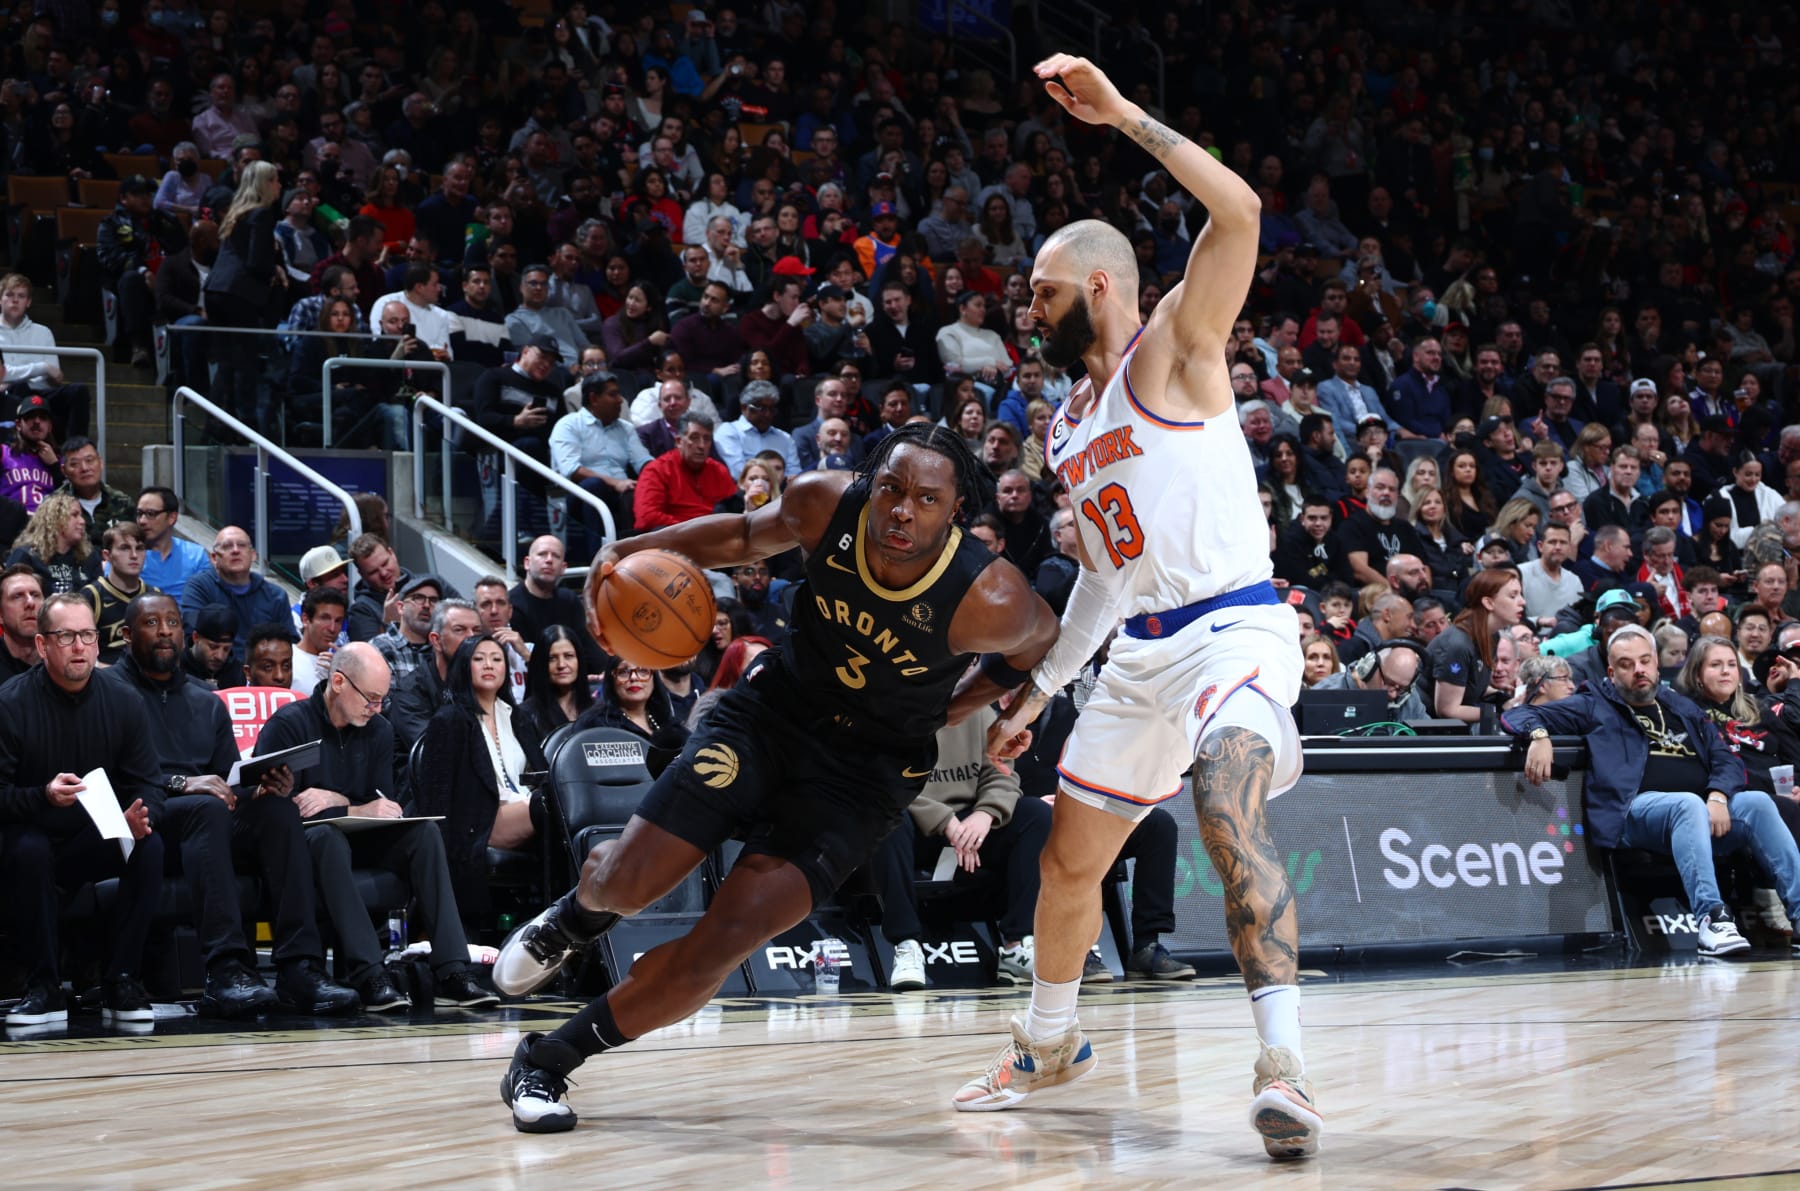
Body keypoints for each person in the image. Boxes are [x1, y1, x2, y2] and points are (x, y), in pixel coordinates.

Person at [945, 58, 1318, 1158]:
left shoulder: (1174, 346)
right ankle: (1050, 1043)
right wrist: (1043, 691)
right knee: (1070, 859)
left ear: (1100, 287)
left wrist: (1121, 118)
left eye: (1042, 291)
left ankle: (1283, 1067)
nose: (1027, 305)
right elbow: (1106, 574)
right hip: (1140, 656)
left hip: (1235, 630)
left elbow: (1241, 210)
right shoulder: (1065, 424)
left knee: (1221, 796)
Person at [491, 422, 1056, 1135]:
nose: (902, 510)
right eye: (890, 488)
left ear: (955, 510)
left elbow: (1039, 642)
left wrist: (967, 704)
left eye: (926, 498)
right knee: (630, 877)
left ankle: (546, 1059)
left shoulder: (989, 595)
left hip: (868, 772)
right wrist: (628, 549)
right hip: (774, 714)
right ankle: (576, 917)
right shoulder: (826, 504)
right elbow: (742, 536)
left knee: (728, 936)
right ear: (868, 484)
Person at [106, 593, 358, 1017]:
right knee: (205, 809)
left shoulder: (205, 700)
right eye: (152, 623)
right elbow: (109, 774)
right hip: (144, 821)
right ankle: (225, 970)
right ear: (129, 634)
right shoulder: (111, 692)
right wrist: (181, 783)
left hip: (207, 826)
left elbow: (229, 781)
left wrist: (259, 788)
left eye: (172, 622)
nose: (165, 631)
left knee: (278, 811)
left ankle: (300, 967)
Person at [1503, 625, 1800, 958]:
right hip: (1632, 814)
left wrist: (1717, 796)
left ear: (1657, 664)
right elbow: (1519, 713)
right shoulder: (1593, 704)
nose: (1639, 670)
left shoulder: (1680, 707)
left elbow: (1725, 760)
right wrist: (1540, 736)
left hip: (1701, 811)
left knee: (1757, 802)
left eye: (1645, 661)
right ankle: (1711, 920)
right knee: (1687, 805)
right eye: (1627, 664)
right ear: (1612, 672)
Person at [253, 644, 500, 1012]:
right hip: (304, 845)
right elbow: (279, 812)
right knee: (326, 838)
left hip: (356, 833)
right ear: (338, 682)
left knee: (424, 833)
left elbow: (377, 805)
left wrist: (339, 801)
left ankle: (452, 969)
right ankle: (369, 973)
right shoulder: (290, 725)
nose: (377, 708)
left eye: (382, 699)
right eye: (370, 698)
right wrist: (348, 805)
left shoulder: (379, 731)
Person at [0, 596, 163, 1027]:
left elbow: (149, 780)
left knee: (149, 845)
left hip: (94, 837)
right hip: (29, 839)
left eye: (87, 635)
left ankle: (121, 980)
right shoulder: (10, 704)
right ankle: (45, 986)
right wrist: (42, 795)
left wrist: (141, 814)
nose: (79, 646)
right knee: (29, 848)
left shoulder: (126, 702)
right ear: (41, 644)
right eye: (66, 636)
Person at [874, 700, 1054, 991]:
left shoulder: (981, 712)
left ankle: (1017, 945)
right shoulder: (893, 709)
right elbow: (883, 783)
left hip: (973, 829)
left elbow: (1003, 774)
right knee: (885, 817)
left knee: (1037, 815)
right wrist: (945, 820)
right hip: (918, 826)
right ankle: (906, 945)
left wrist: (986, 814)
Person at [416, 634, 548, 929]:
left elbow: (542, 774)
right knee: (552, 805)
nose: (488, 665)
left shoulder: (518, 717)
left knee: (557, 806)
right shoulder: (449, 720)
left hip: (524, 808)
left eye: (497, 659)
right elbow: (434, 796)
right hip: (478, 823)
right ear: (465, 666)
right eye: (479, 658)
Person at [204, 161, 286, 427]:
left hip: (216, 290)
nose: (279, 186)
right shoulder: (261, 214)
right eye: (275, 180)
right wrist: (275, 270)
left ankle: (216, 424)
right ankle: (244, 426)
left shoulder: (237, 213)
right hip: (239, 295)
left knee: (226, 364)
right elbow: (256, 263)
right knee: (245, 363)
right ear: (265, 184)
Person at [549, 370, 649, 547]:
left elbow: (644, 462)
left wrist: (662, 473)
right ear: (594, 399)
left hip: (621, 492)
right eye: (613, 395)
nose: (620, 400)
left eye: (619, 394)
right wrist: (615, 483)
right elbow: (572, 470)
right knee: (594, 486)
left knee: (641, 490)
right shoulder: (569, 425)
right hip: (577, 496)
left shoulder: (626, 428)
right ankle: (596, 558)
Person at [180, 527, 292, 672]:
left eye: (241, 545)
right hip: (214, 673)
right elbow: (193, 635)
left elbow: (289, 644)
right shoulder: (198, 587)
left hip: (264, 677)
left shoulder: (276, 596)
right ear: (214, 558)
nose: (235, 550)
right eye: (227, 546)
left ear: (253, 555)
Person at [0, 273, 93, 443]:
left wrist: (14, 375)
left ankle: (74, 450)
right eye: (9, 295)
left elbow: (55, 378)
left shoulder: (43, 332)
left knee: (79, 391)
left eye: (21, 296)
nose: (15, 301)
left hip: (42, 392)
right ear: (0, 299)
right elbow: (3, 374)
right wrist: (41, 368)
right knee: (19, 388)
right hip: (11, 394)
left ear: (28, 302)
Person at [82, 522, 155, 663]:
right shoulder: (91, 596)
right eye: (125, 548)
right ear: (106, 555)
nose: (134, 555)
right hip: (105, 678)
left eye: (139, 548)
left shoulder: (155, 596)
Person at [7, 491, 101, 594]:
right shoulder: (26, 556)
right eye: (74, 515)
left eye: (81, 515)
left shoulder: (89, 557)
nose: (82, 521)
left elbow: (97, 598)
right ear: (55, 519)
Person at [136, 488, 212, 611]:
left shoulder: (196, 556)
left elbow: (207, 600)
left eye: (151, 514)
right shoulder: (127, 555)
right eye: (139, 514)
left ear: (172, 517)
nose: (142, 521)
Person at [520, 624, 595, 735]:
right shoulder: (525, 715)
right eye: (552, 658)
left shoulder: (597, 711)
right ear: (541, 664)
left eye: (568, 656)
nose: (561, 665)